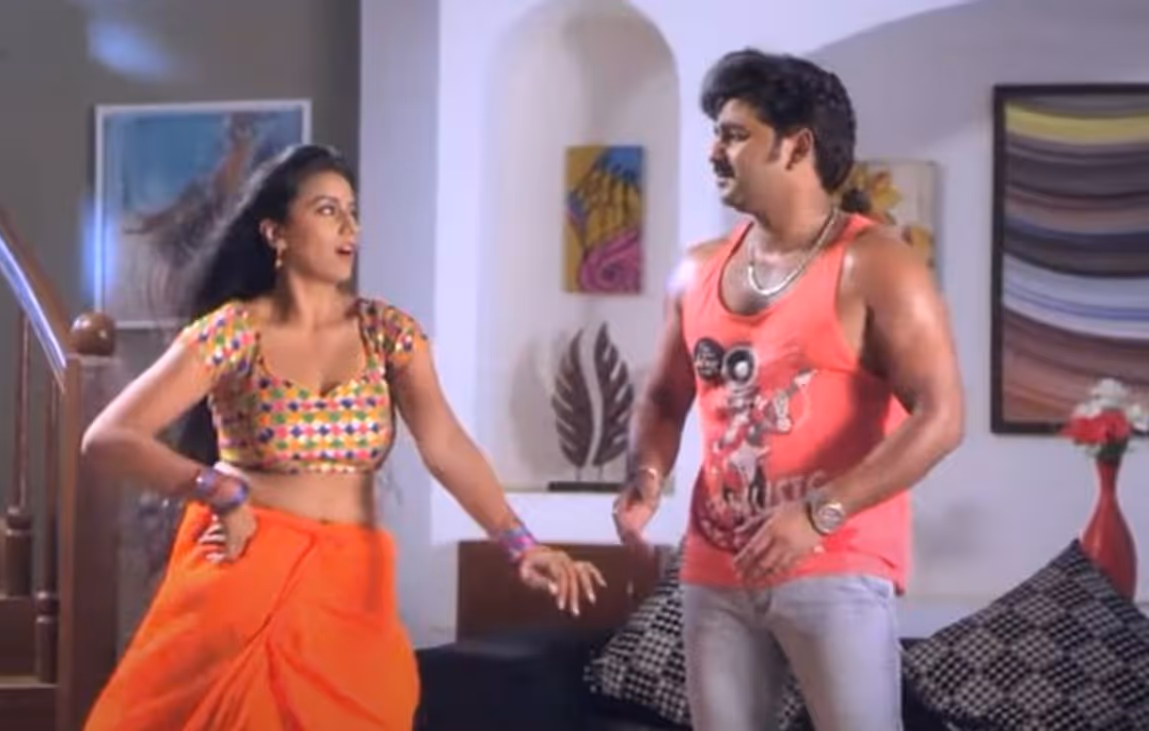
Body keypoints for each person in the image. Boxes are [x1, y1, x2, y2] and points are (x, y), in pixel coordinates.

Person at [80, 144, 606, 731]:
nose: (349, 228)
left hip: (349, 590)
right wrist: (217, 491)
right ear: (276, 233)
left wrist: (522, 545)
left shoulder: (388, 334)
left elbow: (447, 447)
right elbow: (111, 436)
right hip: (244, 575)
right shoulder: (233, 331)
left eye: (352, 212)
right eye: (327, 210)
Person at [612, 49, 964, 731]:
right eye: (716, 133)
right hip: (715, 569)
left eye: (734, 135)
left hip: (835, 563)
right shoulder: (696, 271)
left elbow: (942, 416)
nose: (714, 151)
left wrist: (818, 513)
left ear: (797, 146)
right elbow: (662, 399)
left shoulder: (879, 264)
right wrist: (646, 476)